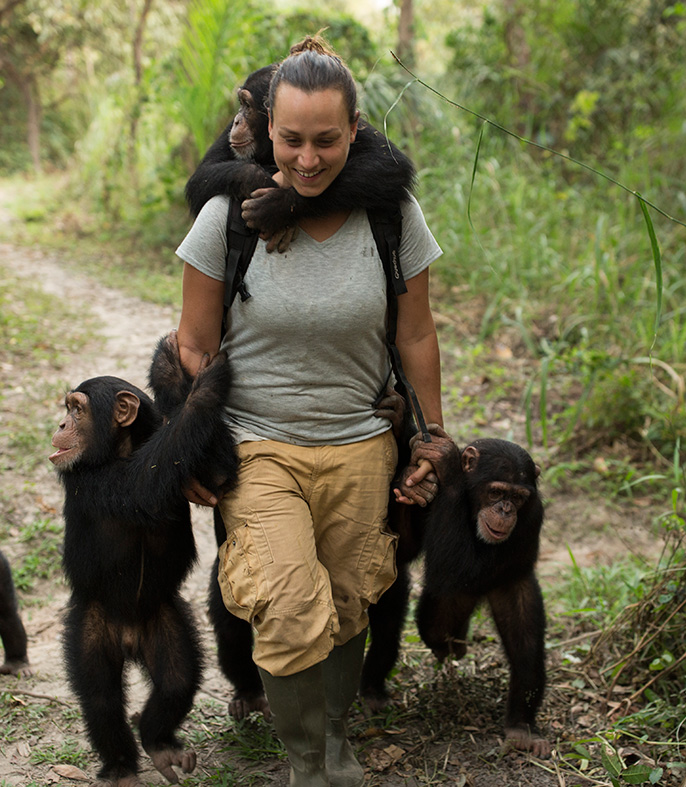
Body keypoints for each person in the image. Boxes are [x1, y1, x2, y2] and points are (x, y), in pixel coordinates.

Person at [175, 34, 444, 787]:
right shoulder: (227, 215)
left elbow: (416, 331)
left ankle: (334, 744)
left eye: (326, 140)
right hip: (257, 443)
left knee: (349, 601)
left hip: (362, 440)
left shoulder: (390, 214)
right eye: (290, 139)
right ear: (267, 129)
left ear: (354, 130)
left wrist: (431, 435)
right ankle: (305, 764)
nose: (307, 156)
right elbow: (191, 347)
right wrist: (192, 448)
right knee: (292, 604)